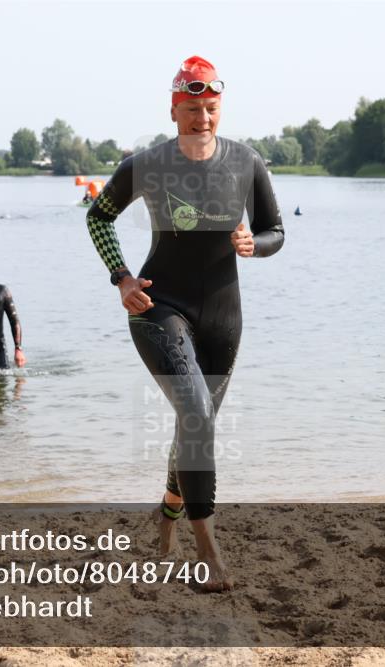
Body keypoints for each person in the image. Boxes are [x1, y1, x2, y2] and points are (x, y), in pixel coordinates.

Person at [85, 55, 284, 591]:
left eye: (211, 108)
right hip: (159, 307)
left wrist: (254, 244)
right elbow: (98, 216)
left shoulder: (247, 162)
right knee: (195, 413)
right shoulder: (146, 164)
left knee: (195, 426)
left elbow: (275, 231)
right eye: (192, 108)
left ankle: (168, 516)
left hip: (224, 316)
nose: (203, 118)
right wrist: (121, 278)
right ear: (174, 109)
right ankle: (209, 557)